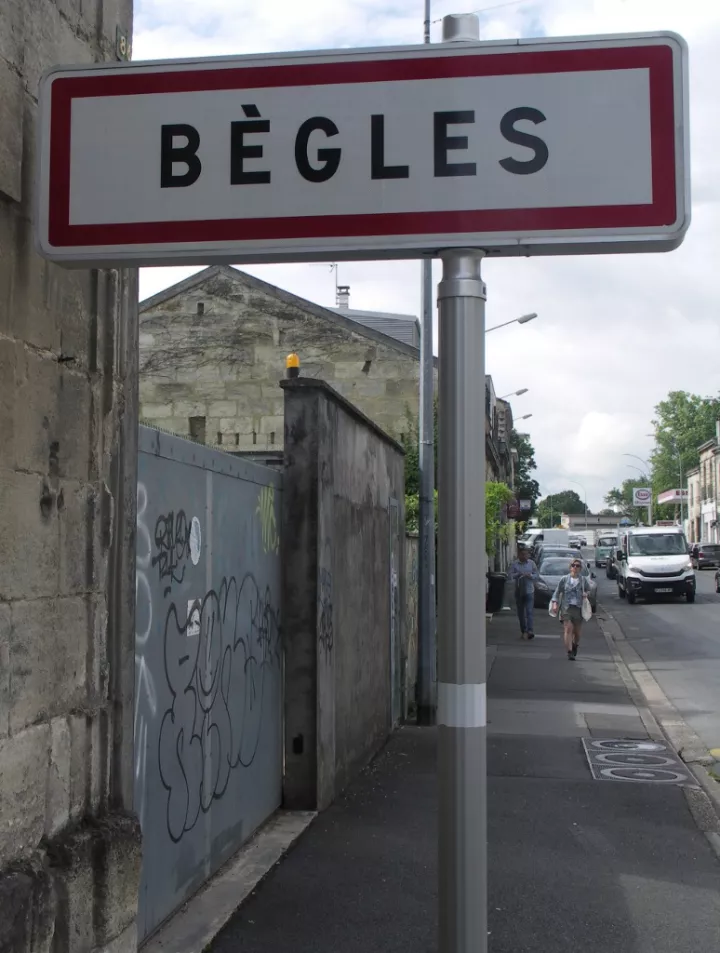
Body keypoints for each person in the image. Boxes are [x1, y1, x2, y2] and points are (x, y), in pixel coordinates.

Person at [550, 558, 590, 660]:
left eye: (577, 566)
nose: (575, 567)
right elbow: (557, 592)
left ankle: (575, 645)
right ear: (570, 567)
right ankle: (569, 651)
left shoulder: (583, 580)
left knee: (577, 633)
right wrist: (555, 604)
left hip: (578, 608)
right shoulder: (564, 579)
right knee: (568, 629)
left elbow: (588, 589)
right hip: (566, 608)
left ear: (580, 568)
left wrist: (586, 594)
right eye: (573, 565)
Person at [508, 545, 539, 640]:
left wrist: (531, 576)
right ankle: (524, 630)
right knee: (521, 613)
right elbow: (510, 576)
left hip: (529, 591)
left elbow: (536, 575)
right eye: (523, 554)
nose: (525, 556)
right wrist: (518, 574)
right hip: (519, 591)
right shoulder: (515, 564)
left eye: (526, 554)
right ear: (519, 555)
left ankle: (530, 631)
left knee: (529, 611)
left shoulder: (532, 563)